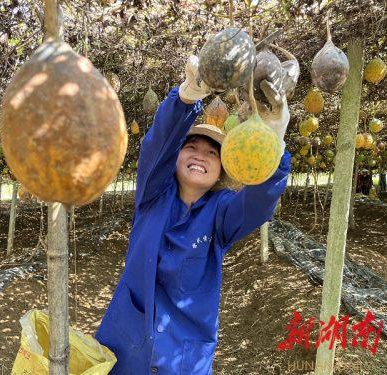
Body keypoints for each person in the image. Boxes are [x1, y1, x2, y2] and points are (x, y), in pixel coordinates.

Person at [95, 56, 292, 374]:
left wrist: (275, 139)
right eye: (191, 148)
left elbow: (259, 203)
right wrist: (187, 95)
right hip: (126, 350)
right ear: (176, 158)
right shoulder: (152, 196)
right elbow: (156, 146)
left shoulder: (222, 212)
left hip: (184, 360)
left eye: (212, 152)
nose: (201, 155)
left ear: (221, 171)